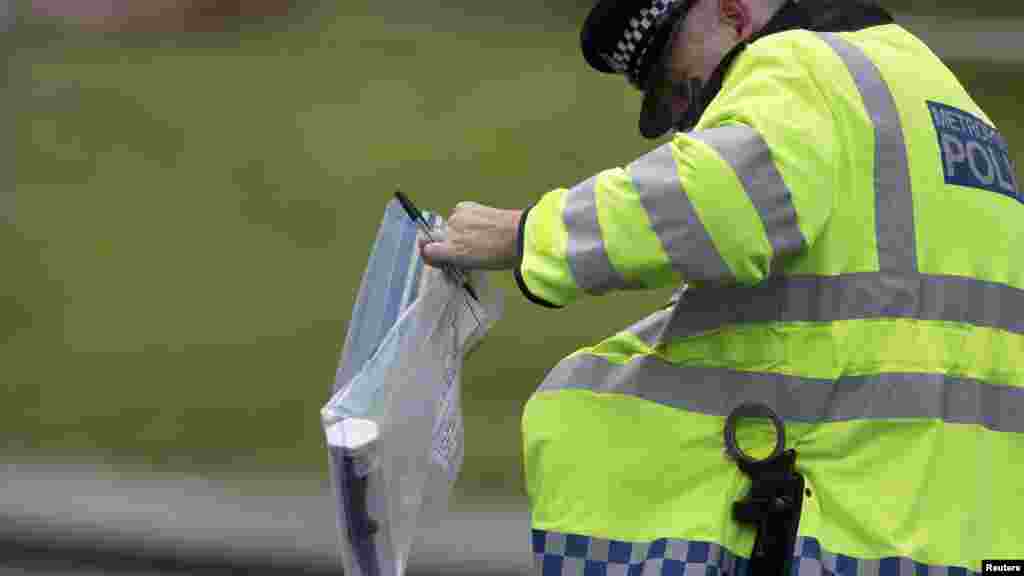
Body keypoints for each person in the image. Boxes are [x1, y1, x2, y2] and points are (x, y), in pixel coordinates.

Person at [419, 0, 1022, 573]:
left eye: (685, 84)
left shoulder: (798, 65)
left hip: (864, 532)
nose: (694, 118)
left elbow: (722, 204)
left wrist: (528, 235)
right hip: (979, 538)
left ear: (731, 13)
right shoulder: (928, 87)